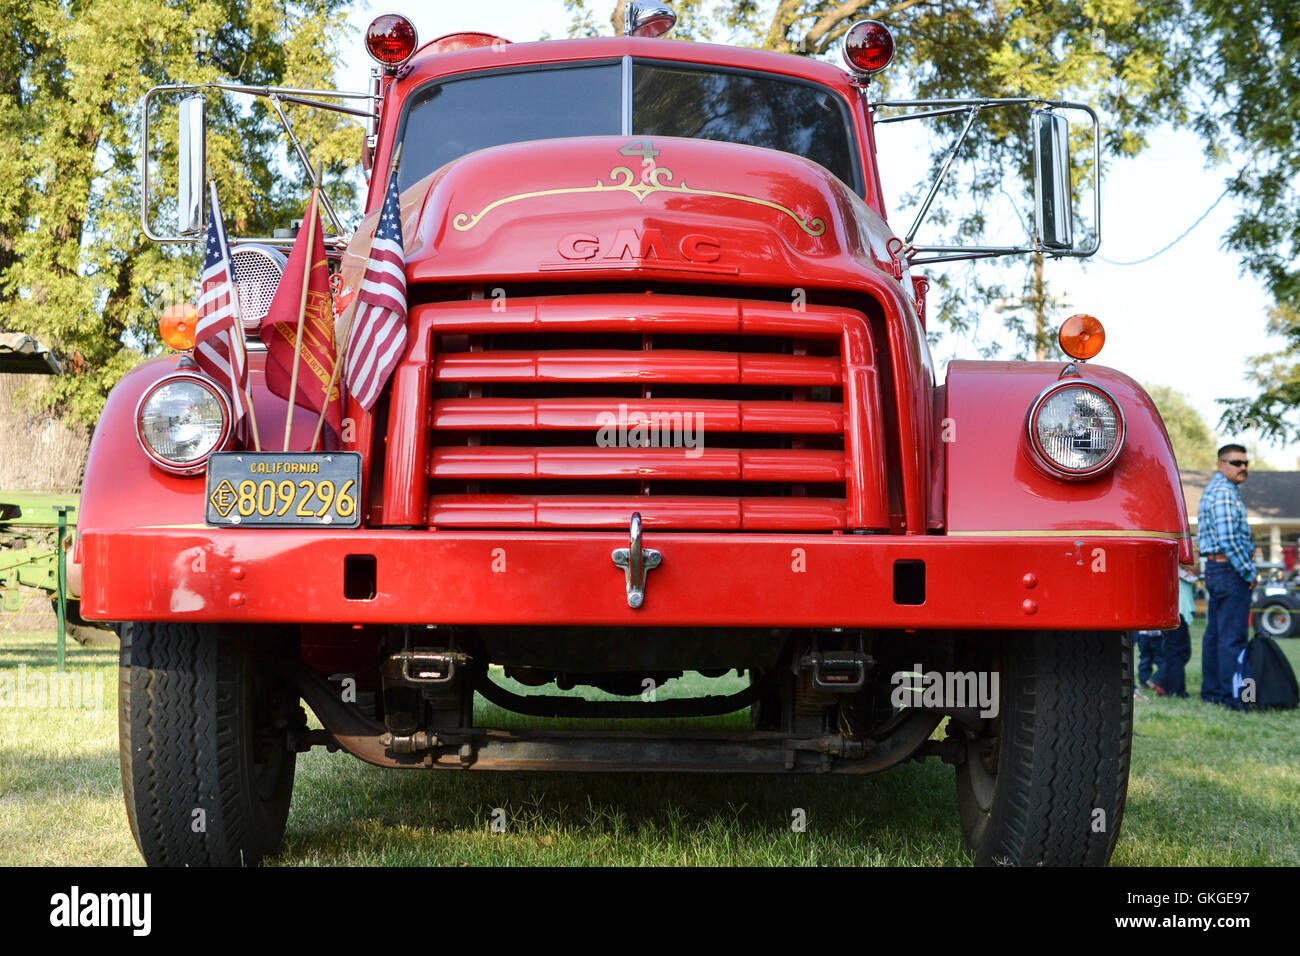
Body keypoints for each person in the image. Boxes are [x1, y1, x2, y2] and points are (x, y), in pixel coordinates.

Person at [1196, 444, 1255, 710]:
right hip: (1230, 570)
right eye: (1236, 462)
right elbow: (1229, 541)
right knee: (1233, 636)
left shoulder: (1218, 490)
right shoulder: (1224, 493)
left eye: (1245, 463)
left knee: (1216, 635)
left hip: (1216, 569)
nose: (1243, 467)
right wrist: (1249, 572)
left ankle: (1213, 693)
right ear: (1221, 464)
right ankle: (1237, 698)